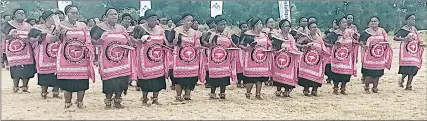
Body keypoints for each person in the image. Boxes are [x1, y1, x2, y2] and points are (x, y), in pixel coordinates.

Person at [90, 8, 134, 109]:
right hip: (107, 59)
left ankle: (118, 100)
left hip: (121, 59)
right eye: (111, 14)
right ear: (106, 17)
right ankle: (108, 101)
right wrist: (100, 41)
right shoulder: (99, 28)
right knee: (110, 80)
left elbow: (128, 40)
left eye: (116, 14)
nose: (114, 16)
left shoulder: (121, 28)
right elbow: (92, 40)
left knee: (121, 80)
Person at [56, 5, 95, 109]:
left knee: (81, 80)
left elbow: (88, 39)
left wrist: (88, 49)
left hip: (81, 57)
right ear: (66, 14)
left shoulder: (82, 25)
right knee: (68, 81)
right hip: (66, 57)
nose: (74, 15)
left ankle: (80, 102)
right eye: (72, 13)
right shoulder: (61, 25)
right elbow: (56, 40)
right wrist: (60, 34)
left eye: (76, 13)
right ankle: (67, 103)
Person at [131, 9, 168, 105]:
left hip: (157, 59)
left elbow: (165, 41)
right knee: (146, 80)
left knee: (158, 79)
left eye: (156, 20)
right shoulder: (140, 28)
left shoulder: (160, 29)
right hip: (144, 59)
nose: (154, 22)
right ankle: (144, 98)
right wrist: (138, 41)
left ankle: (155, 99)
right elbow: (131, 38)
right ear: (147, 20)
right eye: (152, 20)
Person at [1, 9, 37, 93]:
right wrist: (10, 34)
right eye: (19, 13)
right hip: (13, 50)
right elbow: (4, 37)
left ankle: (25, 86)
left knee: (27, 68)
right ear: (14, 15)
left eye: (23, 13)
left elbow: (32, 36)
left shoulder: (28, 26)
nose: (21, 14)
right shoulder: (7, 25)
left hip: (26, 50)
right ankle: (15, 86)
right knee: (15, 68)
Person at [28, 10, 62, 99]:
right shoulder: (37, 28)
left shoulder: (57, 27)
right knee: (45, 74)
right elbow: (30, 39)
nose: (53, 19)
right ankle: (44, 92)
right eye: (51, 17)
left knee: (56, 73)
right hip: (43, 55)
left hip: (55, 53)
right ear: (45, 19)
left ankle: (55, 92)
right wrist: (37, 38)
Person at [171, 14, 203, 101]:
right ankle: (178, 95)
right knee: (179, 78)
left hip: (192, 59)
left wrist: (196, 47)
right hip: (179, 59)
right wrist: (174, 43)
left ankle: (188, 94)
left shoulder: (195, 33)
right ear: (182, 21)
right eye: (188, 20)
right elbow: (171, 43)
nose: (189, 22)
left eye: (191, 21)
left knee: (191, 78)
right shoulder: (176, 31)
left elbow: (197, 44)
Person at [203, 15, 237, 99]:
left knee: (224, 75)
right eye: (221, 24)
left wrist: (236, 48)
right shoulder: (210, 33)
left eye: (225, 24)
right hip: (214, 58)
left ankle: (222, 93)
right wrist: (209, 45)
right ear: (217, 25)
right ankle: (212, 93)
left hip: (225, 58)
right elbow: (203, 42)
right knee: (214, 75)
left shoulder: (227, 33)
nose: (223, 26)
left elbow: (231, 42)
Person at [324, 17, 359, 95]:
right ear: (339, 24)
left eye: (346, 22)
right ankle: (335, 88)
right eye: (343, 22)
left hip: (347, 56)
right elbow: (325, 41)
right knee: (337, 73)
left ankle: (343, 88)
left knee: (346, 73)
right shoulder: (335, 33)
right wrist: (334, 45)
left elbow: (357, 39)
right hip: (337, 57)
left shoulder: (350, 32)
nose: (345, 24)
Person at [359, 16, 392, 93]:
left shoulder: (382, 31)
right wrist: (364, 46)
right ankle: (366, 87)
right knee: (368, 72)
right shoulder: (366, 32)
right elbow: (360, 41)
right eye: (372, 21)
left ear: (378, 22)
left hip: (379, 55)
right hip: (369, 56)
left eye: (375, 21)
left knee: (378, 72)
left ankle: (375, 87)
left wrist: (384, 45)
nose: (373, 23)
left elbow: (386, 40)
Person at [240, 18, 271, 100]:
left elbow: (269, 44)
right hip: (251, 58)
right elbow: (240, 44)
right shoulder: (247, 34)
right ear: (255, 25)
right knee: (251, 77)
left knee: (260, 77)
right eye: (260, 23)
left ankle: (258, 94)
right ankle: (248, 93)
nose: (262, 25)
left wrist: (271, 48)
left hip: (262, 59)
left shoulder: (264, 35)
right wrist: (247, 48)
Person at [296, 22, 330, 96]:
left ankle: (315, 89)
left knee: (317, 74)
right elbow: (297, 44)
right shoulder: (306, 37)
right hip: (307, 59)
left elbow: (323, 46)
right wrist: (305, 46)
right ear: (309, 29)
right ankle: (306, 88)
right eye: (313, 27)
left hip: (317, 59)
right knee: (307, 74)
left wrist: (325, 53)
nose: (315, 29)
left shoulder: (319, 37)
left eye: (316, 27)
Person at [394, 14, 424, 90]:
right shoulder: (403, 29)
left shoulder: (414, 29)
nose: (413, 21)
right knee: (407, 68)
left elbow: (418, 38)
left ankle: (408, 84)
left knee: (414, 67)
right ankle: (404, 81)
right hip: (406, 52)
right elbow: (395, 38)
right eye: (412, 19)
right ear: (407, 20)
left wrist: (421, 43)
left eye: (414, 19)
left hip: (414, 51)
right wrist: (404, 39)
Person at [270, 19, 300, 97]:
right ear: (281, 27)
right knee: (280, 74)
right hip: (279, 59)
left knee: (288, 74)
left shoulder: (290, 37)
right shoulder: (277, 36)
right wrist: (279, 50)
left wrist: (292, 50)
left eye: (289, 26)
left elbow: (294, 47)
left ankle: (287, 90)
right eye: (286, 26)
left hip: (289, 59)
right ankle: (278, 89)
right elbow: (273, 48)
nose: (288, 28)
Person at [231, 21, 248, 88]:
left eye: (246, 27)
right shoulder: (235, 36)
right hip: (238, 52)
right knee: (239, 67)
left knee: (245, 66)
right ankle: (239, 81)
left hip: (245, 52)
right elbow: (232, 42)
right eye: (243, 27)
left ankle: (245, 82)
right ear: (240, 28)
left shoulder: (249, 36)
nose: (245, 28)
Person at [262, 17, 278, 86]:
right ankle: (265, 79)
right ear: (266, 24)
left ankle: (272, 79)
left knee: (274, 65)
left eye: (273, 22)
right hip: (267, 50)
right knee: (267, 65)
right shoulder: (263, 32)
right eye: (270, 22)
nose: (272, 23)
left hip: (275, 50)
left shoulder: (277, 32)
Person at [323, 19, 338, 84]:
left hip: (337, 51)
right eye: (334, 23)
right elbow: (323, 40)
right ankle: (329, 77)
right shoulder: (328, 31)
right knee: (328, 64)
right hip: (329, 50)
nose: (335, 24)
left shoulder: (340, 33)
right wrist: (330, 45)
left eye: (336, 23)